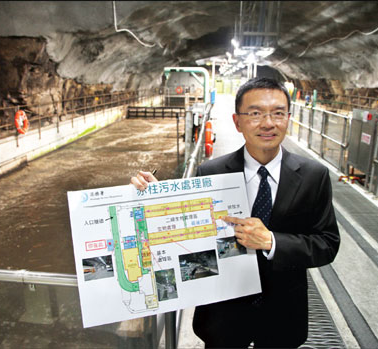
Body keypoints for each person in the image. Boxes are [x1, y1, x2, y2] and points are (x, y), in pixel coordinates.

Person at [131, 77, 340, 348]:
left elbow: (327, 243)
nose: (267, 123)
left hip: (283, 315)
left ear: (289, 118)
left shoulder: (314, 176)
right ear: (237, 121)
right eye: (255, 113)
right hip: (223, 315)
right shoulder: (211, 172)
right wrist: (158, 198)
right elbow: (190, 229)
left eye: (278, 113)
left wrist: (272, 242)